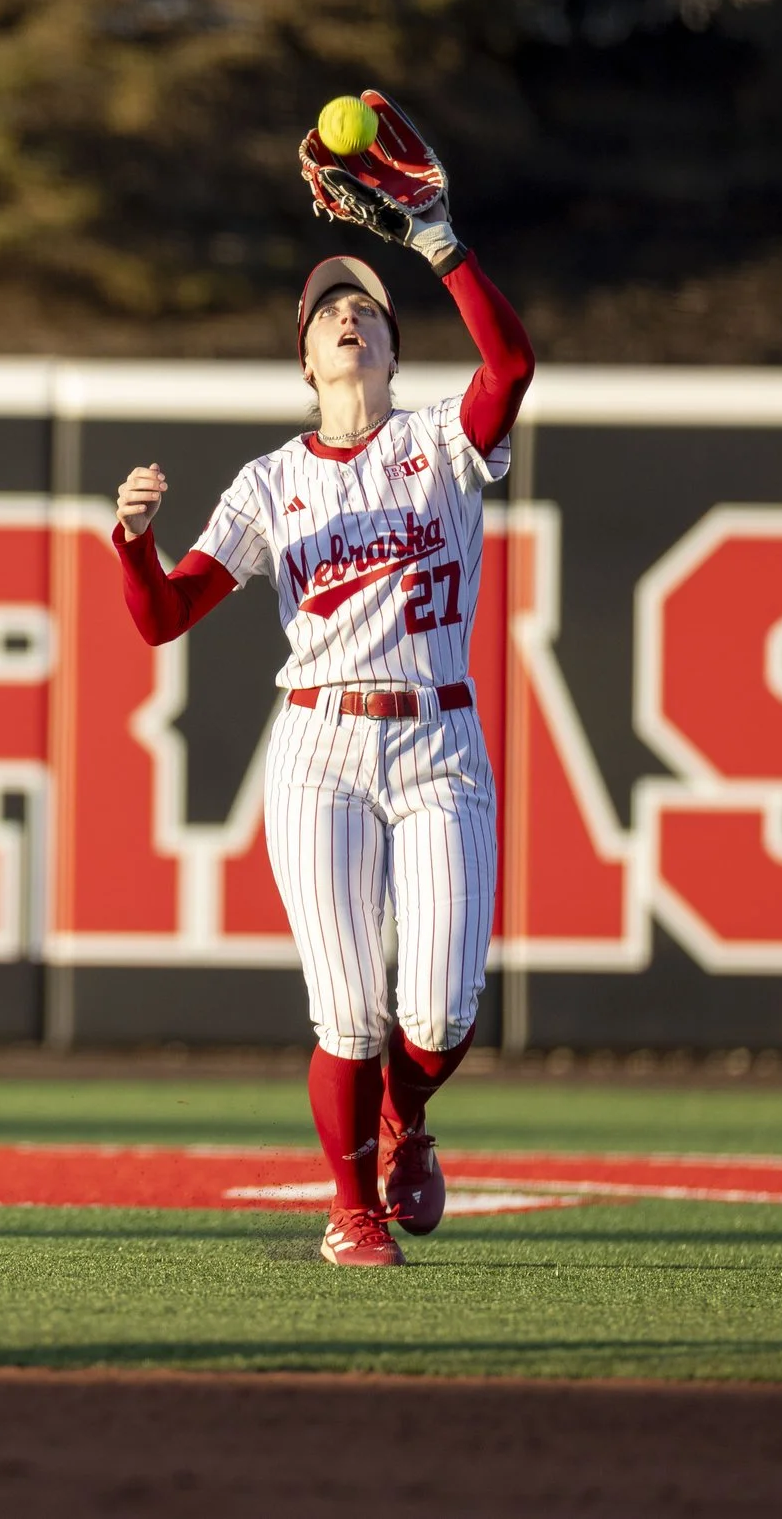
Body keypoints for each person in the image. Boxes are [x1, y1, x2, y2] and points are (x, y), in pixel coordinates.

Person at [109, 115, 535, 1266]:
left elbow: (512, 369)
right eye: (327, 312)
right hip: (320, 748)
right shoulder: (270, 481)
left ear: (393, 351)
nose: (348, 315)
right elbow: (161, 618)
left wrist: (440, 244)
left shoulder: (442, 443)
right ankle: (350, 1210)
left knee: (440, 1011)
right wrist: (131, 544)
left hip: (439, 738)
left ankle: (405, 1116)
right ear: (306, 359)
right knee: (347, 1008)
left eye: (366, 310)